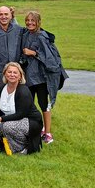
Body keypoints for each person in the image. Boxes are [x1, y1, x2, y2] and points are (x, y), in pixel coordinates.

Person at [20, 11, 68, 145]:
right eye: (27, 20)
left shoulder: (42, 36)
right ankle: (32, 129)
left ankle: (47, 132)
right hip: (28, 77)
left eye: (32, 20)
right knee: (28, 104)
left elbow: (51, 59)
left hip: (41, 78)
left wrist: (34, 53)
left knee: (43, 104)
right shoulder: (26, 34)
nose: (30, 23)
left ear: (38, 22)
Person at [0, 62, 43, 154]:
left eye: (15, 73)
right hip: (9, 119)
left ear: (20, 76)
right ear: (5, 74)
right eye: (9, 72)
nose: (12, 75)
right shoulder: (0, 88)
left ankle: (21, 148)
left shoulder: (23, 91)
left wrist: (0, 119)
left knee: (7, 126)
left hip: (29, 121)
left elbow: (20, 114)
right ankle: (3, 143)